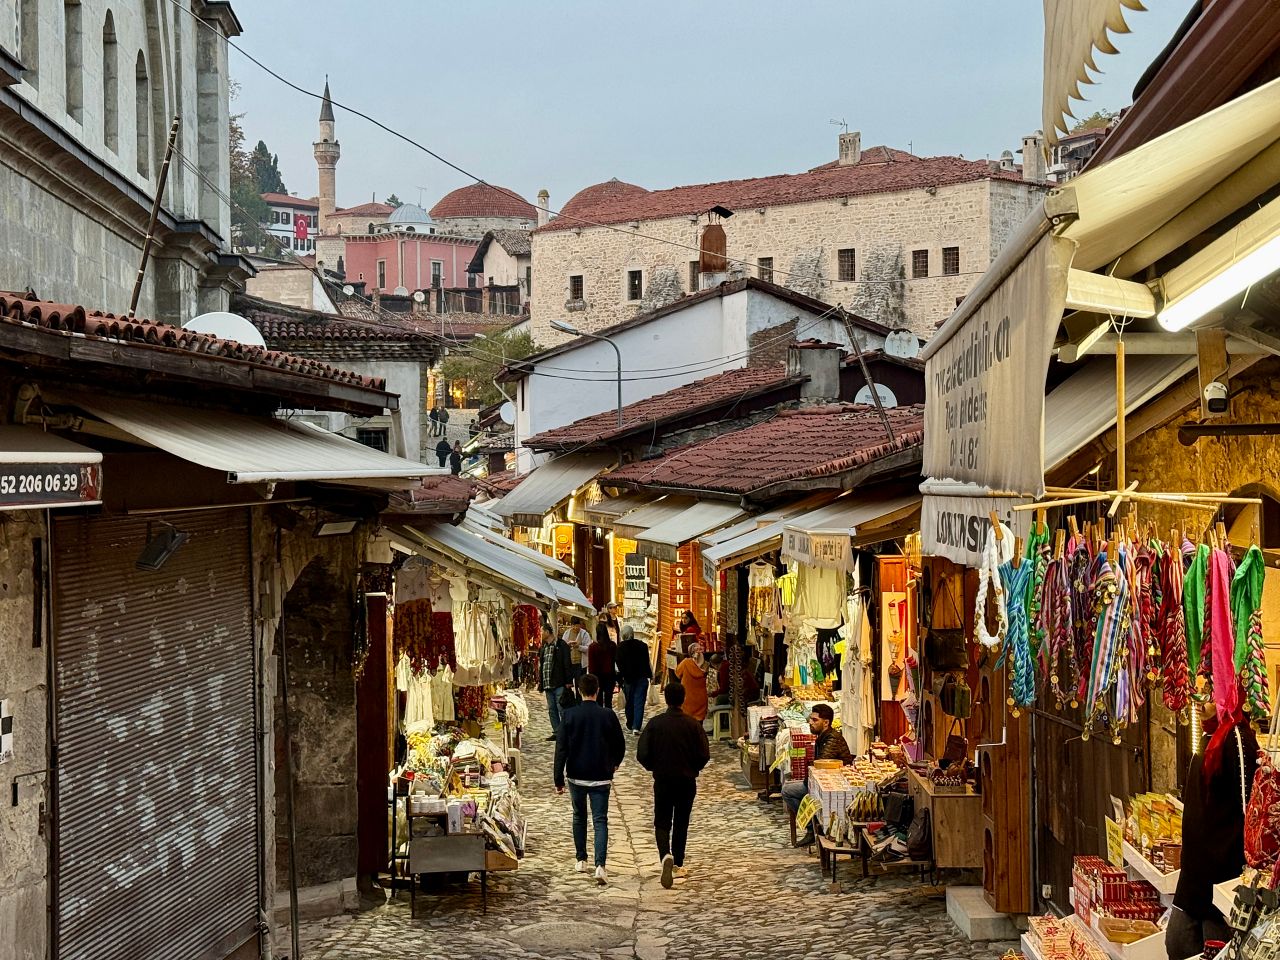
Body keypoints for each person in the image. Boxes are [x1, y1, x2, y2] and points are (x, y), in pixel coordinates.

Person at [1166, 703, 1258, 959]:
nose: (1198, 701)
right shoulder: (1208, 736)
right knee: (1176, 945)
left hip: (1220, 883)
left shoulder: (1237, 739)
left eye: (1209, 693)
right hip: (1193, 881)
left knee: (1212, 951)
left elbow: (1248, 812)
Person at [554, 673, 626, 886]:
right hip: (601, 775)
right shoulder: (608, 715)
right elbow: (620, 744)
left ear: (578, 690)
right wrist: (614, 763)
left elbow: (561, 749)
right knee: (600, 819)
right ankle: (600, 865)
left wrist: (558, 778)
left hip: (576, 774)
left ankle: (581, 859)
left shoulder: (569, 715)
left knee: (579, 816)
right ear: (597, 691)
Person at [637, 682, 711, 888]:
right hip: (686, 780)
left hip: (662, 779)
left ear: (666, 699)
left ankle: (664, 855)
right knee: (681, 821)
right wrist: (694, 767)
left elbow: (642, 753)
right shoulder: (693, 724)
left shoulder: (655, 724)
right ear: (683, 698)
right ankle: (677, 862)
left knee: (662, 820)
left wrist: (654, 767)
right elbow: (704, 754)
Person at [784, 703, 854, 847]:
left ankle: (811, 828)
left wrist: (807, 782)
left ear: (826, 722)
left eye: (815, 720)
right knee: (789, 787)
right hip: (821, 782)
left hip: (834, 785)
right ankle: (812, 827)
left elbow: (822, 764)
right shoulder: (823, 736)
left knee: (787, 791)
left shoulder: (832, 739)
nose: (810, 722)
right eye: (810, 719)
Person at [538, 624, 573, 741]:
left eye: (542, 631)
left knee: (562, 708)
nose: (540, 634)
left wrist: (568, 681)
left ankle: (566, 732)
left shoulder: (561, 645)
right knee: (552, 709)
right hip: (548, 683)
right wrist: (541, 683)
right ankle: (557, 732)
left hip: (559, 682)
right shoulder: (544, 647)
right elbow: (542, 665)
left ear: (548, 632)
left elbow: (567, 663)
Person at [616, 625, 653, 735]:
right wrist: (650, 675)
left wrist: (620, 679)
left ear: (623, 635)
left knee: (630, 702)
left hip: (628, 679)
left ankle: (630, 723)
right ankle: (636, 726)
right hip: (642, 677)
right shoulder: (643, 645)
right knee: (639, 702)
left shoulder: (620, 647)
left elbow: (619, 665)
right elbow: (647, 662)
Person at [589, 611, 619, 710]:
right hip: (610, 675)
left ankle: (600, 720)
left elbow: (591, 666)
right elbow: (615, 660)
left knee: (598, 700)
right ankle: (608, 718)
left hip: (597, 676)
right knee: (608, 700)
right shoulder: (612, 646)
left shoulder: (593, 647)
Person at [715, 642, 762, 706]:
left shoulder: (741, 670)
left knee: (720, 699)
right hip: (746, 693)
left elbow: (741, 689)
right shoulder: (738, 668)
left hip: (748, 695)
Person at [673, 642, 709, 722]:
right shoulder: (706, 665)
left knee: (687, 721)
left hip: (687, 698)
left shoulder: (685, 663)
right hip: (701, 698)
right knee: (699, 723)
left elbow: (677, 673)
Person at [563, 616, 592, 696]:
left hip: (580, 664)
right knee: (568, 685)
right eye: (574, 625)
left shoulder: (584, 634)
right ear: (571, 625)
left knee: (579, 685)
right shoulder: (567, 633)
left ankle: (580, 702)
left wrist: (579, 647)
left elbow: (588, 648)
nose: (576, 627)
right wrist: (568, 645)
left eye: (577, 625)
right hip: (570, 663)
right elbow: (563, 646)